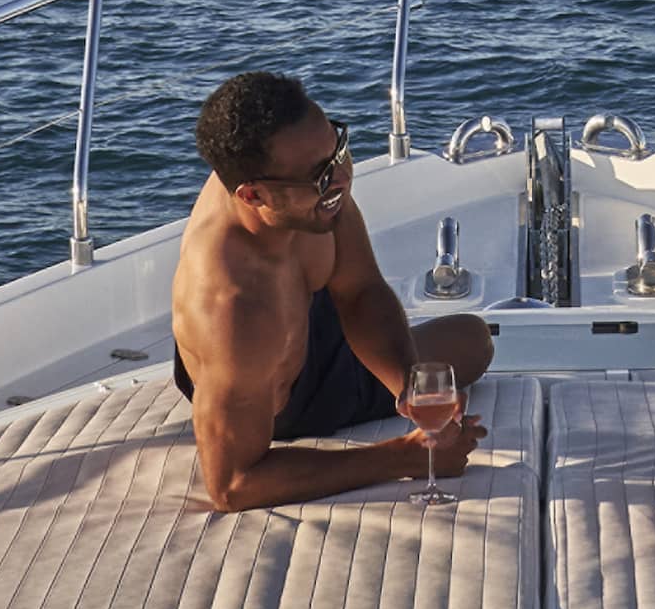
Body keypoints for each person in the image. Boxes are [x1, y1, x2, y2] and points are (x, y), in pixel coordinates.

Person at [171, 70, 493, 512]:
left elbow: (359, 289)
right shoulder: (232, 309)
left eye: (339, 150)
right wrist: (406, 457)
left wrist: (409, 386)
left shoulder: (312, 189)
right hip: (279, 388)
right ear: (252, 195)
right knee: (458, 357)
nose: (341, 177)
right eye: (321, 175)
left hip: (305, 317)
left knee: (473, 342)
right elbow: (232, 486)